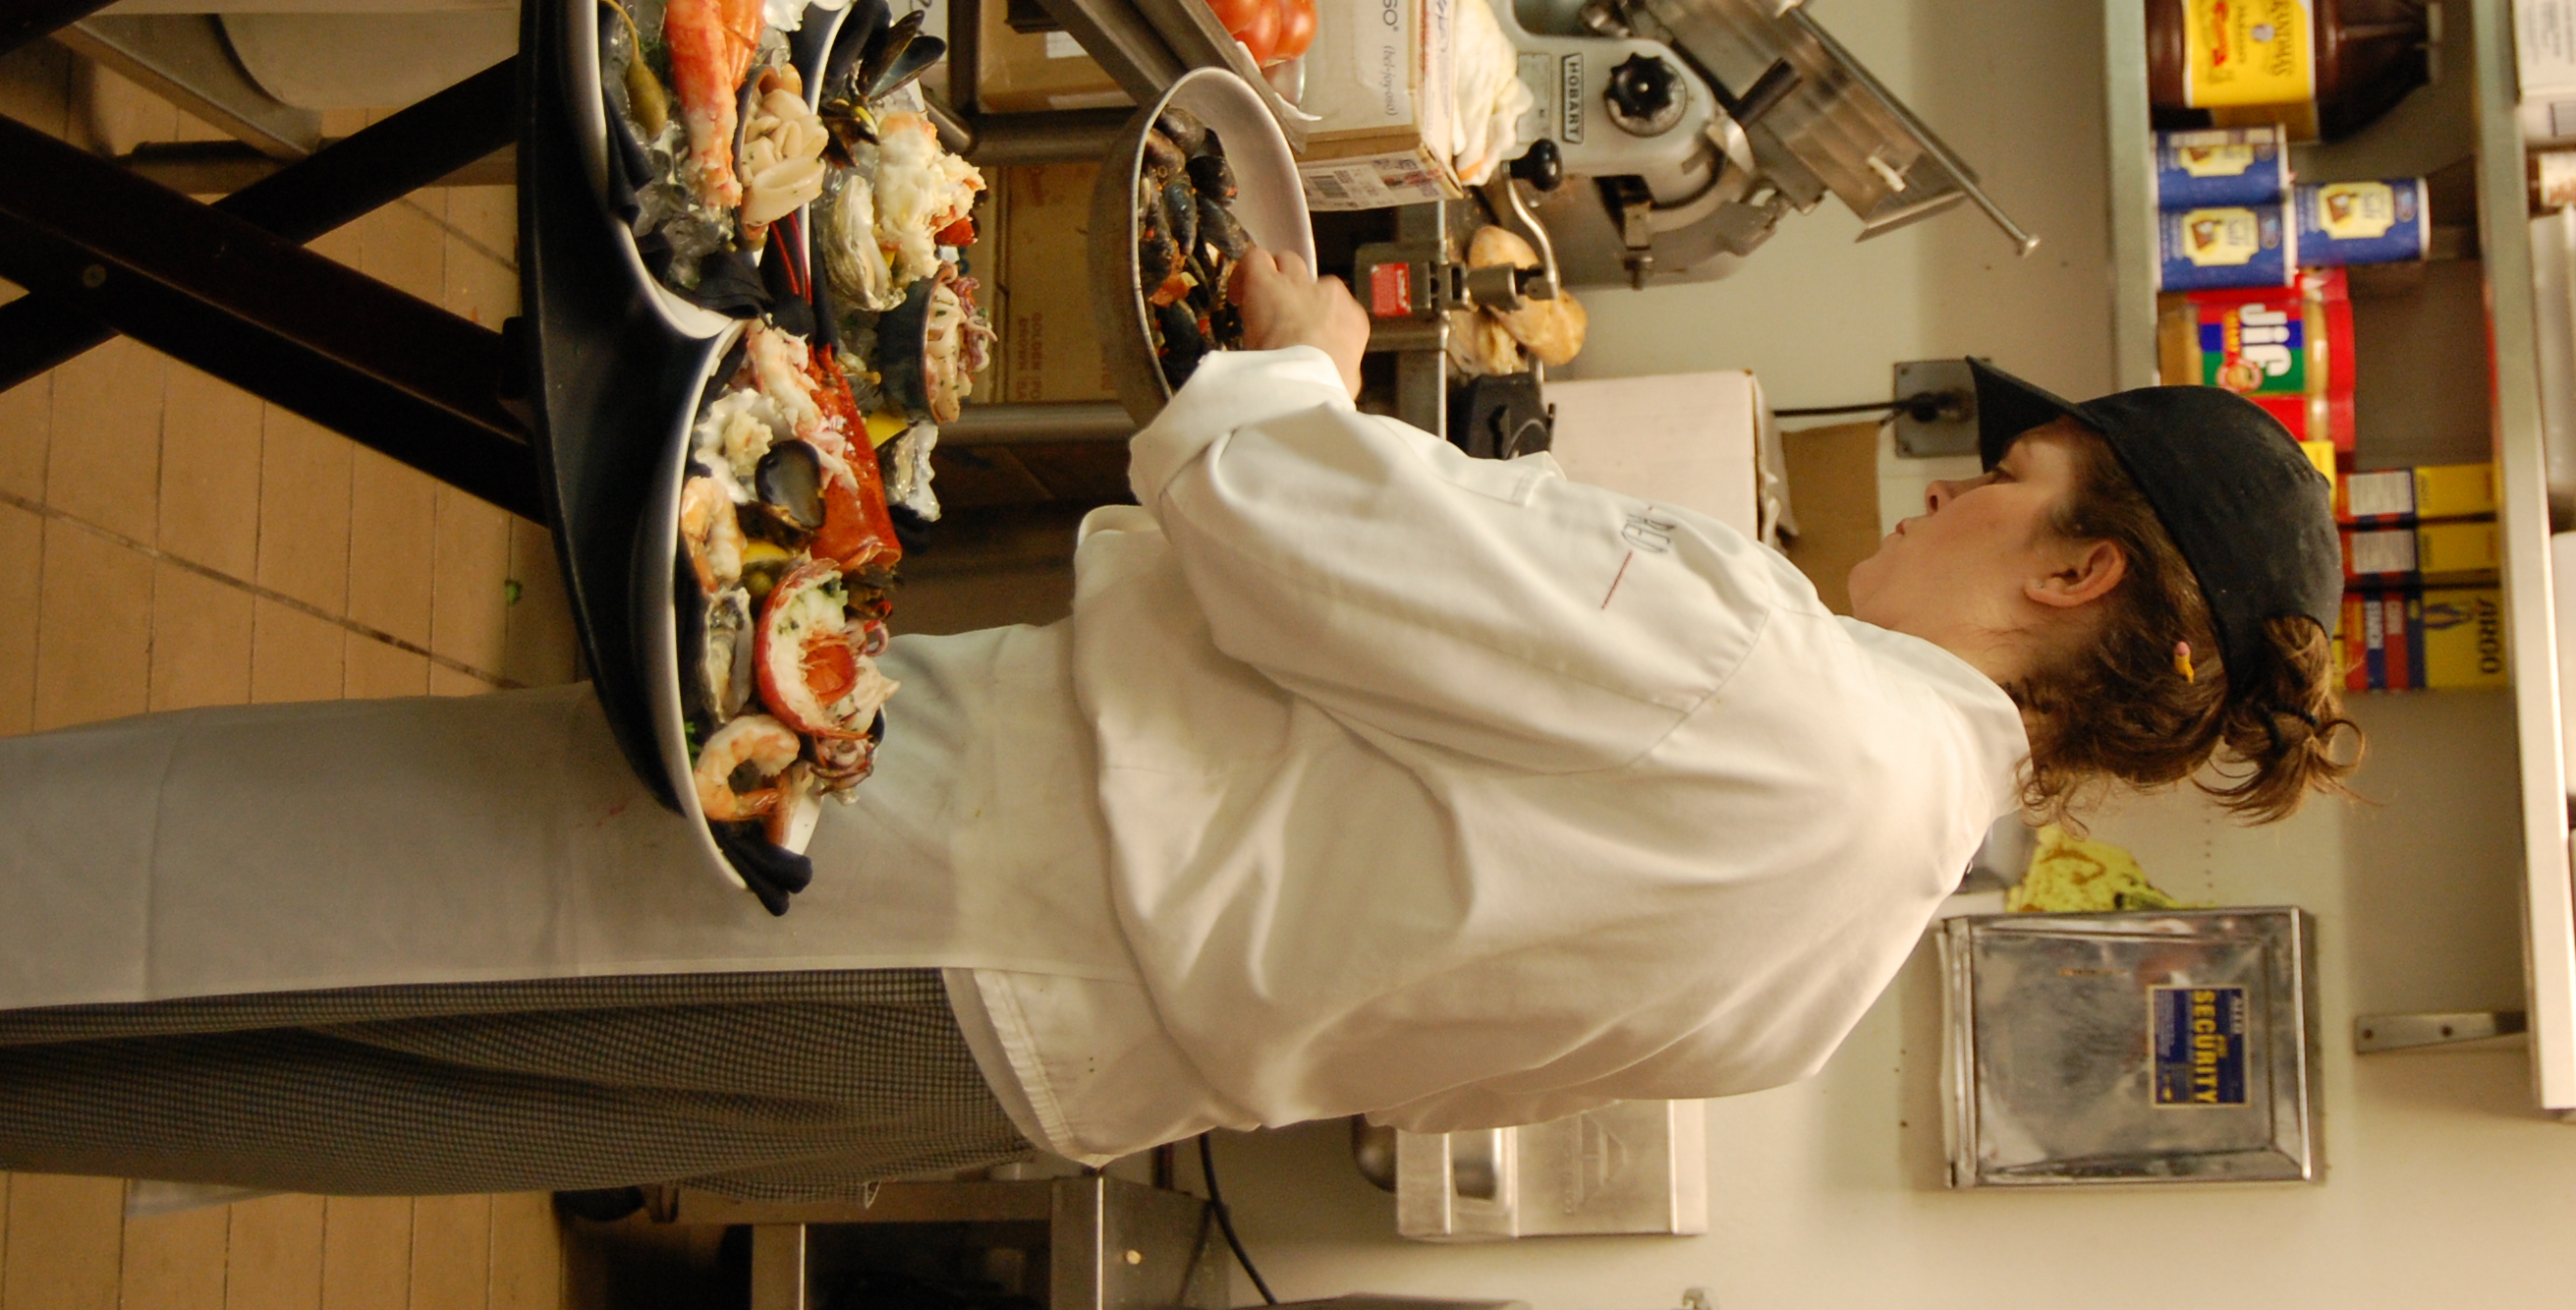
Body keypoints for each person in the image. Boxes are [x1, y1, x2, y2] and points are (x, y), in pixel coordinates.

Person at [0, 251, 2352, 1199]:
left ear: (2073, 573)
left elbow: (1264, 506)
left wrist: (1300, 353)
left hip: (925, 876)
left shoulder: (1783, 680)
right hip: (1013, 1082)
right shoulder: (1838, 964)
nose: (1947, 488)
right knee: (307, 1088)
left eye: (2007, 477)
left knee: (218, 892)